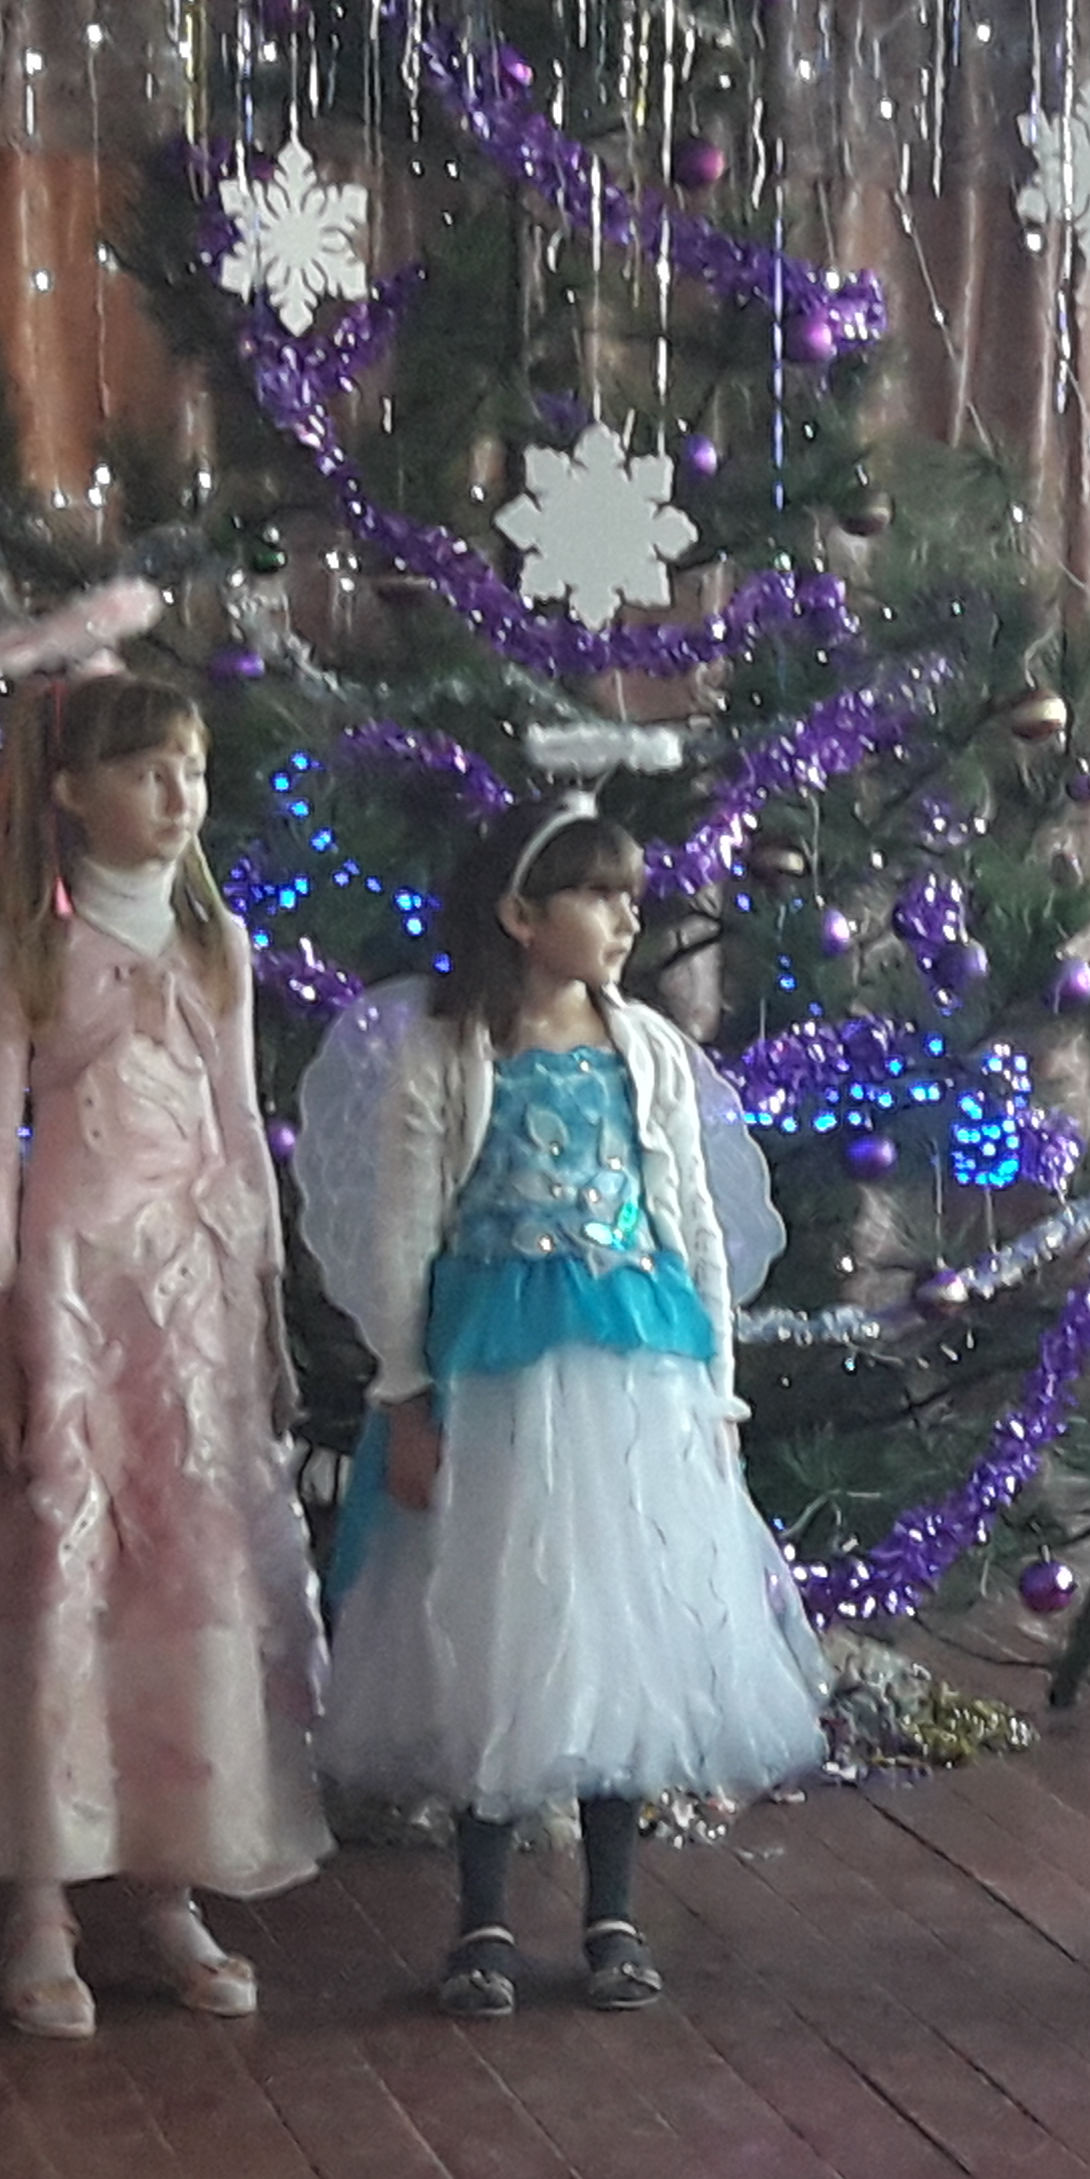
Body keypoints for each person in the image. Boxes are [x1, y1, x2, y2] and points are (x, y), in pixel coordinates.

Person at [316, 796, 832, 2017]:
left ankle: (613, 1913)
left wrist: (716, 1396)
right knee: (499, 1626)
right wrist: (407, 1396)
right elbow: (404, 1234)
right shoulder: (449, 1053)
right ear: (520, 915)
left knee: (617, 1627)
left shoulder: (645, 1048)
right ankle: (482, 1919)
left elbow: (690, 1223)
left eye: (629, 897)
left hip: (632, 1378)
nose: (625, 917)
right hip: (493, 1379)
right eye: (599, 896)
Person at [0, 673, 331, 2036]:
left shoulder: (214, 941)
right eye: (146, 773)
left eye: (192, 769)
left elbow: (239, 1125)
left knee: (183, 1579)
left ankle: (169, 1876)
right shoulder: (25, 951)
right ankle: (42, 1896)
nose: (180, 797)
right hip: (76, 1300)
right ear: (73, 794)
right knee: (65, 1570)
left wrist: (264, 1293)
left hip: (192, 1308)